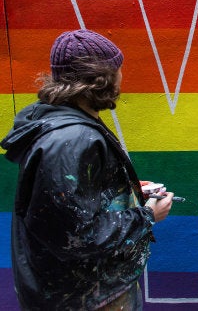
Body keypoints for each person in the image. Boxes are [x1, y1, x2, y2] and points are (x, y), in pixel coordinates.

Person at [0, 29, 174, 310]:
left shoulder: (65, 126)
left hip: (89, 292)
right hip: (89, 299)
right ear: (100, 79)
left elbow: (68, 208)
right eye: (117, 70)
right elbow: (76, 235)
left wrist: (122, 193)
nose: (121, 77)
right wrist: (147, 216)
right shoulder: (71, 139)